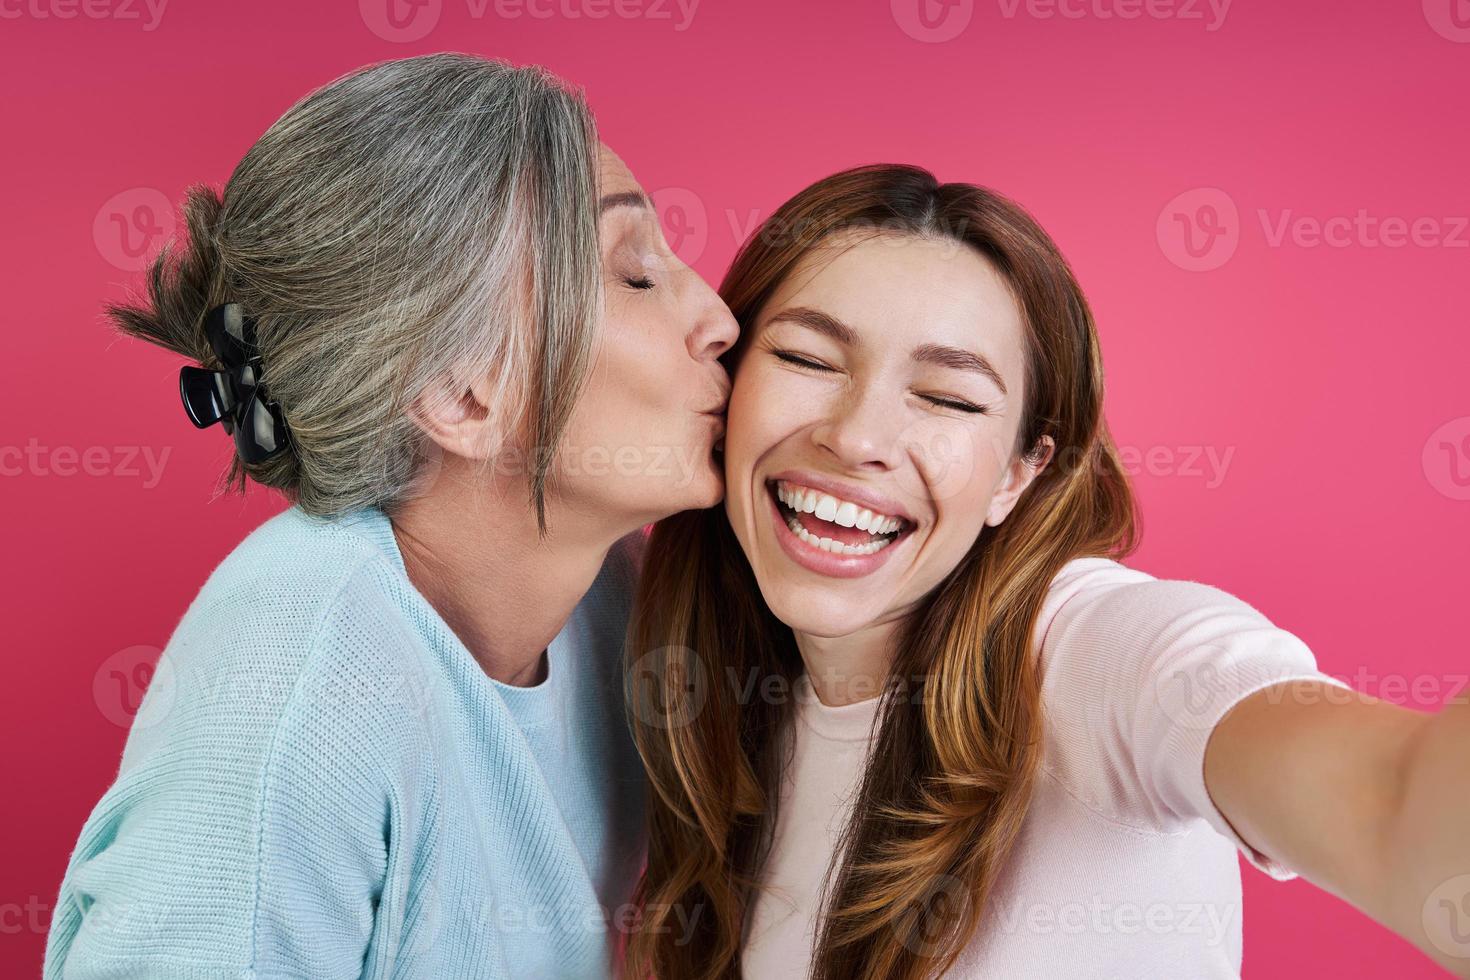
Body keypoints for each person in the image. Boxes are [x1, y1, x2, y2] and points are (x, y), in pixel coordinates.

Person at [624, 163, 1470, 979]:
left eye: (948, 400)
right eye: (808, 360)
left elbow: (1397, 815)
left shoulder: (1093, 656)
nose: (856, 438)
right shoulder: (719, 707)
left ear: (1017, 475)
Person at [45, 53, 737, 980]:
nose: (721, 318)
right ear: (459, 394)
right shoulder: (299, 707)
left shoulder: (609, 594)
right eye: (636, 278)